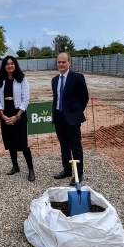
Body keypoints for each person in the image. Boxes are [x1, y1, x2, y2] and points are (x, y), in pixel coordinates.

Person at [51, 52, 89, 186]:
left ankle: (78, 174)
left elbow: (84, 97)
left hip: (72, 119)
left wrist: (76, 112)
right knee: (64, 146)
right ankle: (67, 170)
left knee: (75, 147)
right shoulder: (54, 80)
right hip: (59, 117)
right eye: (59, 62)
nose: (61, 64)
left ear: (69, 63)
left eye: (63, 62)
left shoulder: (77, 78)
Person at [0, 56, 35, 182]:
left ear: (15, 65)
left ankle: (31, 169)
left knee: (23, 143)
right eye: (7, 64)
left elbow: (26, 98)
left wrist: (17, 116)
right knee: (10, 141)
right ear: (4, 66)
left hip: (19, 114)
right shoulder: (1, 81)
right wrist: (2, 114)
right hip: (6, 114)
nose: (10, 66)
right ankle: (15, 166)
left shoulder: (22, 80)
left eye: (12, 63)